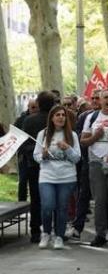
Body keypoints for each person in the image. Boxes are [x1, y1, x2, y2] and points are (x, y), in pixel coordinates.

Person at [33, 105, 81, 249]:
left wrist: (68, 148)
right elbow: (36, 155)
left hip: (67, 177)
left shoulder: (72, 135)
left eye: (63, 115)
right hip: (47, 176)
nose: (61, 117)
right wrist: (44, 155)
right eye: (57, 115)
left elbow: (77, 158)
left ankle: (59, 236)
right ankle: (46, 233)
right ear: (52, 118)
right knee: (47, 206)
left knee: (62, 208)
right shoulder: (43, 134)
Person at [81, 88, 108, 248]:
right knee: (99, 201)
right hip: (96, 163)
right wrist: (95, 137)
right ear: (100, 100)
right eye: (106, 97)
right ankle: (100, 234)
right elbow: (83, 141)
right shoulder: (92, 117)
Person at [20, 91, 56, 243]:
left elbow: (24, 143)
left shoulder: (29, 120)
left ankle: (35, 231)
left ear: (39, 104)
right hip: (54, 165)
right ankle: (52, 229)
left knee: (35, 198)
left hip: (34, 165)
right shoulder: (56, 119)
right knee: (54, 197)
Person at [67, 89, 101, 241]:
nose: (94, 100)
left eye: (97, 98)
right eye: (92, 98)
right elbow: (79, 138)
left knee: (106, 198)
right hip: (87, 162)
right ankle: (77, 227)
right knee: (84, 194)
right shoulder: (84, 117)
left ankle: (106, 230)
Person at [14, 98, 38, 201]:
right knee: (23, 180)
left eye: (36, 107)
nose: (35, 110)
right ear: (28, 107)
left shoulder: (40, 118)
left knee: (34, 183)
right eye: (32, 107)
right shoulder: (21, 119)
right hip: (24, 155)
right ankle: (21, 202)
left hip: (35, 155)